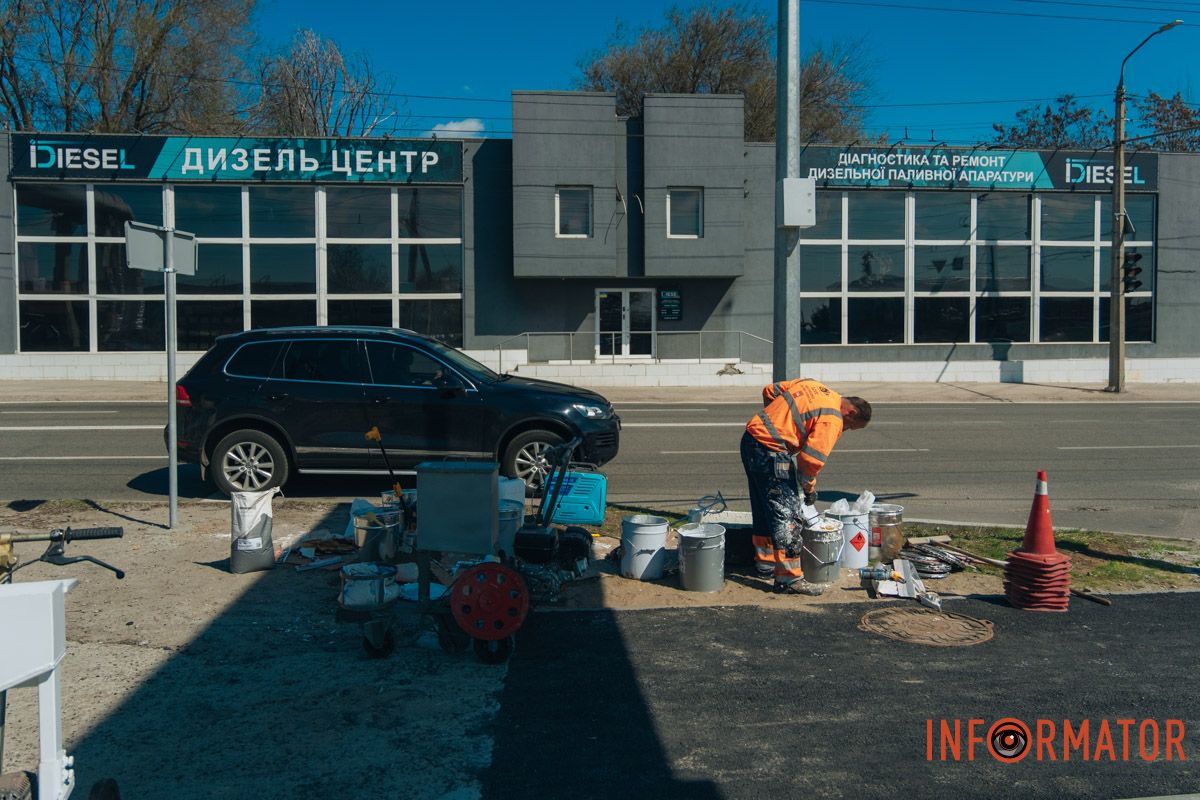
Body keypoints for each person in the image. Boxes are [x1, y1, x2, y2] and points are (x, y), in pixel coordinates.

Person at [740, 378, 871, 592]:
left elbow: (769, 391)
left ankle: (765, 564)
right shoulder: (833, 418)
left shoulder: (813, 385)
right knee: (787, 515)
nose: (845, 430)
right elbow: (810, 461)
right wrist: (808, 488)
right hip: (772, 451)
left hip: (751, 439)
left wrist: (778, 421)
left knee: (764, 505)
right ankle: (788, 579)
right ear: (851, 413)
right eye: (850, 427)